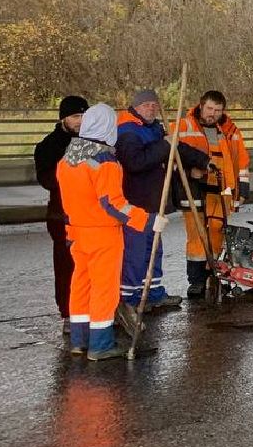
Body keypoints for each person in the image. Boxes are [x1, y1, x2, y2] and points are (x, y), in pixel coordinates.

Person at [56, 104, 159, 361]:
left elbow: (67, 201)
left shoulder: (68, 158)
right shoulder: (105, 161)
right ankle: (100, 344)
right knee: (104, 288)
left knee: (81, 285)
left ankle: (79, 341)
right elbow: (113, 204)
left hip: (76, 233)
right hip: (102, 234)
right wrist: (147, 220)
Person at [115, 88, 208, 313]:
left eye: (154, 106)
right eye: (147, 105)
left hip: (155, 200)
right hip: (137, 202)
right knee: (136, 253)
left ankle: (154, 291)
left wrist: (202, 160)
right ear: (135, 107)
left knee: (154, 248)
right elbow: (135, 162)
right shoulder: (127, 131)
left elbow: (176, 146)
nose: (151, 109)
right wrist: (165, 145)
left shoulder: (154, 128)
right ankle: (131, 297)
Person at [173, 90, 252, 299]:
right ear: (201, 106)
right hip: (193, 188)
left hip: (221, 191)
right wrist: (191, 171)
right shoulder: (183, 126)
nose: (212, 114)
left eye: (217, 110)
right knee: (197, 235)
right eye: (209, 109)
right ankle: (197, 280)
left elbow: (241, 161)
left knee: (218, 233)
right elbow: (170, 154)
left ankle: (214, 275)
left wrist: (243, 187)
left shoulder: (230, 131)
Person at [33, 94, 88, 334]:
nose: (80, 121)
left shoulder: (91, 141)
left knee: (89, 267)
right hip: (61, 215)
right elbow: (47, 180)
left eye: (84, 116)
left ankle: (92, 309)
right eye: (76, 116)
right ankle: (68, 312)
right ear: (64, 118)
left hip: (89, 216)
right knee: (66, 266)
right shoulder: (49, 146)